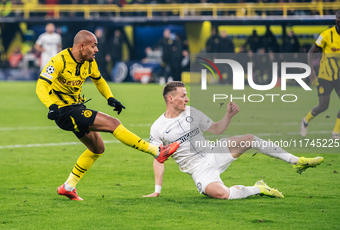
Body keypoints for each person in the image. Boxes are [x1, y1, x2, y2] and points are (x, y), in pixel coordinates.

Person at [36, 30, 180, 201]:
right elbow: (41, 85)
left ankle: (68, 187)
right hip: (65, 111)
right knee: (113, 124)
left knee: (97, 149)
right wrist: (51, 106)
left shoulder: (89, 62)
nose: (96, 50)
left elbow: (99, 80)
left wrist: (110, 98)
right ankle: (157, 151)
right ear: (82, 46)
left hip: (76, 108)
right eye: (93, 46)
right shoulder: (58, 61)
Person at [144, 81, 323, 199]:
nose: (187, 98)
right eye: (183, 95)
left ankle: (296, 161)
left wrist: (228, 116)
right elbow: (158, 159)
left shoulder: (191, 111)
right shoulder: (158, 127)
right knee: (222, 195)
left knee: (249, 139)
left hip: (213, 152)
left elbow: (216, 129)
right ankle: (258, 188)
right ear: (171, 99)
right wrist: (157, 191)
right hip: (198, 170)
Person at [300, 10, 340, 139]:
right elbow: (311, 52)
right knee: (323, 106)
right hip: (325, 76)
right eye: (339, 17)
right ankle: (306, 120)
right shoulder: (327, 35)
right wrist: (311, 70)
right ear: (336, 20)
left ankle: (335, 132)